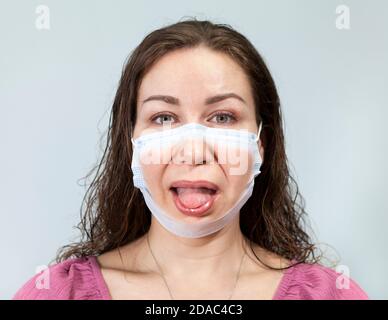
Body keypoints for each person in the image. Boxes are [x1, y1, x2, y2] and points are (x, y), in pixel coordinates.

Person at [13, 19, 368, 300]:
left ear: (261, 144)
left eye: (223, 117)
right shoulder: (57, 293)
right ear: (131, 142)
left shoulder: (330, 295)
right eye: (164, 118)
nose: (193, 152)